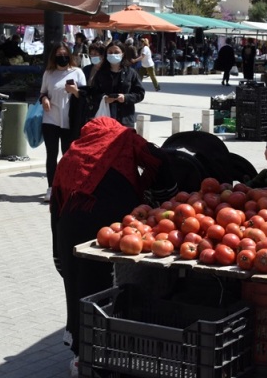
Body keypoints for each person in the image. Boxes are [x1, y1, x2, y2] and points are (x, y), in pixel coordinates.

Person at [50, 116, 178, 377]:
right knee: (108, 287)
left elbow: (56, 201)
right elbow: (160, 159)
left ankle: (82, 353)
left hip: (71, 224)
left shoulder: (73, 151)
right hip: (112, 225)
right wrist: (161, 196)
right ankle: (108, 353)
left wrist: (57, 250)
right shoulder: (126, 139)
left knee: (79, 289)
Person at [40, 42, 86, 202]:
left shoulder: (77, 72)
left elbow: (86, 96)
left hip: (70, 120)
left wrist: (76, 92)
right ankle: (51, 188)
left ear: (70, 56)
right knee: (51, 155)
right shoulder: (49, 73)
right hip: (50, 119)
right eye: (59, 56)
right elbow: (42, 92)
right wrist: (44, 99)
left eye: (65, 55)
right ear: (54, 57)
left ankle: (67, 186)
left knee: (68, 155)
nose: (62, 58)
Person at [92, 40, 145, 128]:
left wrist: (125, 97)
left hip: (125, 119)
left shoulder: (131, 73)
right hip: (105, 120)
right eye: (110, 52)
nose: (113, 54)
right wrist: (104, 99)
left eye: (116, 52)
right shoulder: (101, 73)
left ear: (123, 54)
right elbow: (93, 93)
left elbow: (140, 94)